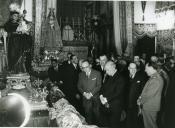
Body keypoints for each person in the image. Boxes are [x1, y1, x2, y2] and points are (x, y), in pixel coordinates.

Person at [99, 61, 126, 128]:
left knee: (114, 125)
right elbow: (102, 88)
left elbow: (117, 93)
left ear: (113, 67)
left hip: (114, 107)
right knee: (106, 124)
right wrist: (101, 95)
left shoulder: (121, 78)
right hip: (105, 105)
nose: (106, 72)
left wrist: (106, 99)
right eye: (106, 70)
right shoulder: (108, 76)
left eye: (107, 70)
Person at [137, 61, 164, 128]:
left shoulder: (156, 79)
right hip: (149, 106)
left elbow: (148, 95)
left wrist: (140, 101)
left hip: (150, 107)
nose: (145, 70)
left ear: (152, 68)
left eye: (146, 68)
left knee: (150, 126)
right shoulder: (154, 77)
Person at [77, 60, 102, 125]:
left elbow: (99, 86)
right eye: (83, 67)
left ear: (90, 66)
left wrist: (90, 94)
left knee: (97, 116)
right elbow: (79, 86)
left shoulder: (97, 73)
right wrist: (84, 94)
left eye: (86, 67)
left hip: (95, 98)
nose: (85, 69)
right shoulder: (80, 74)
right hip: (86, 99)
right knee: (88, 116)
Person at [126, 62, 147, 128]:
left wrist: (140, 103)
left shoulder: (141, 77)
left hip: (136, 105)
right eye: (131, 68)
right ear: (128, 68)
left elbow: (143, 91)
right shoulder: (124, 77)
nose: (133, 70)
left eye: (134, 68)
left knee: (135, 123)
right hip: (126, 105)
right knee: (127, 123)